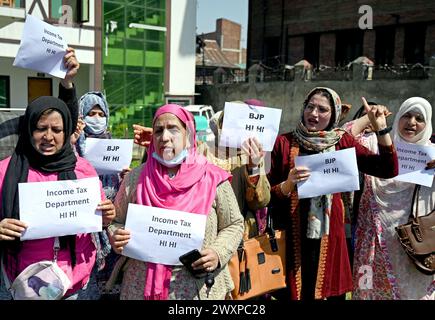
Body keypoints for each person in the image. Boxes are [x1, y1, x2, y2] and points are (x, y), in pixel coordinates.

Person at [267, 87, 398, 300]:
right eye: (310, 107)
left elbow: (387, 168)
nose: (314, 114)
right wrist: (288, 184)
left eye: (322, 109)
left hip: (329, 238)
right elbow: (268, 195)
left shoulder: (342, 142)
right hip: (292, 239)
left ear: (334, 114)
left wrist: (381, 129)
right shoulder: (284, 143)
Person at [107, 104, 244, 300]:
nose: (165, 137)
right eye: (158, 131)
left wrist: (217, 252)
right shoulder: (135, 178)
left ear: (188, 135)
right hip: (140, 288)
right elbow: (115, 220)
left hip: (198, 291)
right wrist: (116, 235)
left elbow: (234, 224)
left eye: (173, 129)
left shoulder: (213, 178)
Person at [0, 96, 116, 300]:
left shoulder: (83, 169)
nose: (48, 136)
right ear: (28, 129)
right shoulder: (5, 171)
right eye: (40, 128)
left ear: (67, 131)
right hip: (23, 284)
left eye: (56, 130)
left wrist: (106, 218)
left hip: (77, 284)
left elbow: (99, 219)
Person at [352, 97, 435, 300]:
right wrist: (370, 118)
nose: (412, 122)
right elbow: (342, 137)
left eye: (419, 118)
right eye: (406, 115)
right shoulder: (375, 144)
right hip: (373, 245)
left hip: (415, 247)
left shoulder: (432, 155)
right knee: (368, 292)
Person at [74, 91, 131, 299]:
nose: (96, 118)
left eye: (101, 113)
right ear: (81, 116)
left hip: (110, 232)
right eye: (91, 113)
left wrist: (127, 178)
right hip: (84, 234)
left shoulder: (113, 146)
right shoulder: (72, 147)